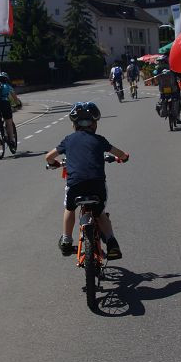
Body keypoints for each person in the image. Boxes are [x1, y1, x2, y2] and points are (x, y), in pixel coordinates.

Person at [45, 102, 129, 260]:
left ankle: (66, 239)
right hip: (97, 185)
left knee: (70, 208)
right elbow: (121, 154)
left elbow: (48, 157)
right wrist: (124, 157)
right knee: (99, 212)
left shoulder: (68, 140)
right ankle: (111, 242)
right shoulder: (99, 140)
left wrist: (54, 164)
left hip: (75, 185)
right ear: (95, 124)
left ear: (74, 125)